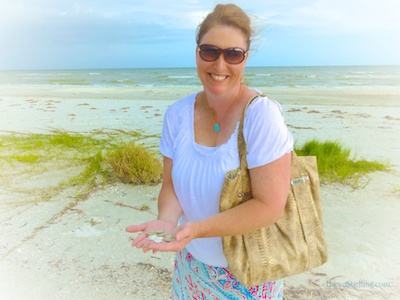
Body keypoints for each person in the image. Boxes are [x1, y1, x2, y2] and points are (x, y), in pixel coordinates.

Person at [126, 3, 293, 299]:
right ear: (197, 53)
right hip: (191, 267)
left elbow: (269, 206)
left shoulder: (262, 115)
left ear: (245, 59)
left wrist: (198, 229)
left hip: (249, 274)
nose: (219, 65)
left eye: (233, 54)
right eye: (210, 51)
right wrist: (167, 221)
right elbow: (171, 185)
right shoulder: (177, 115)